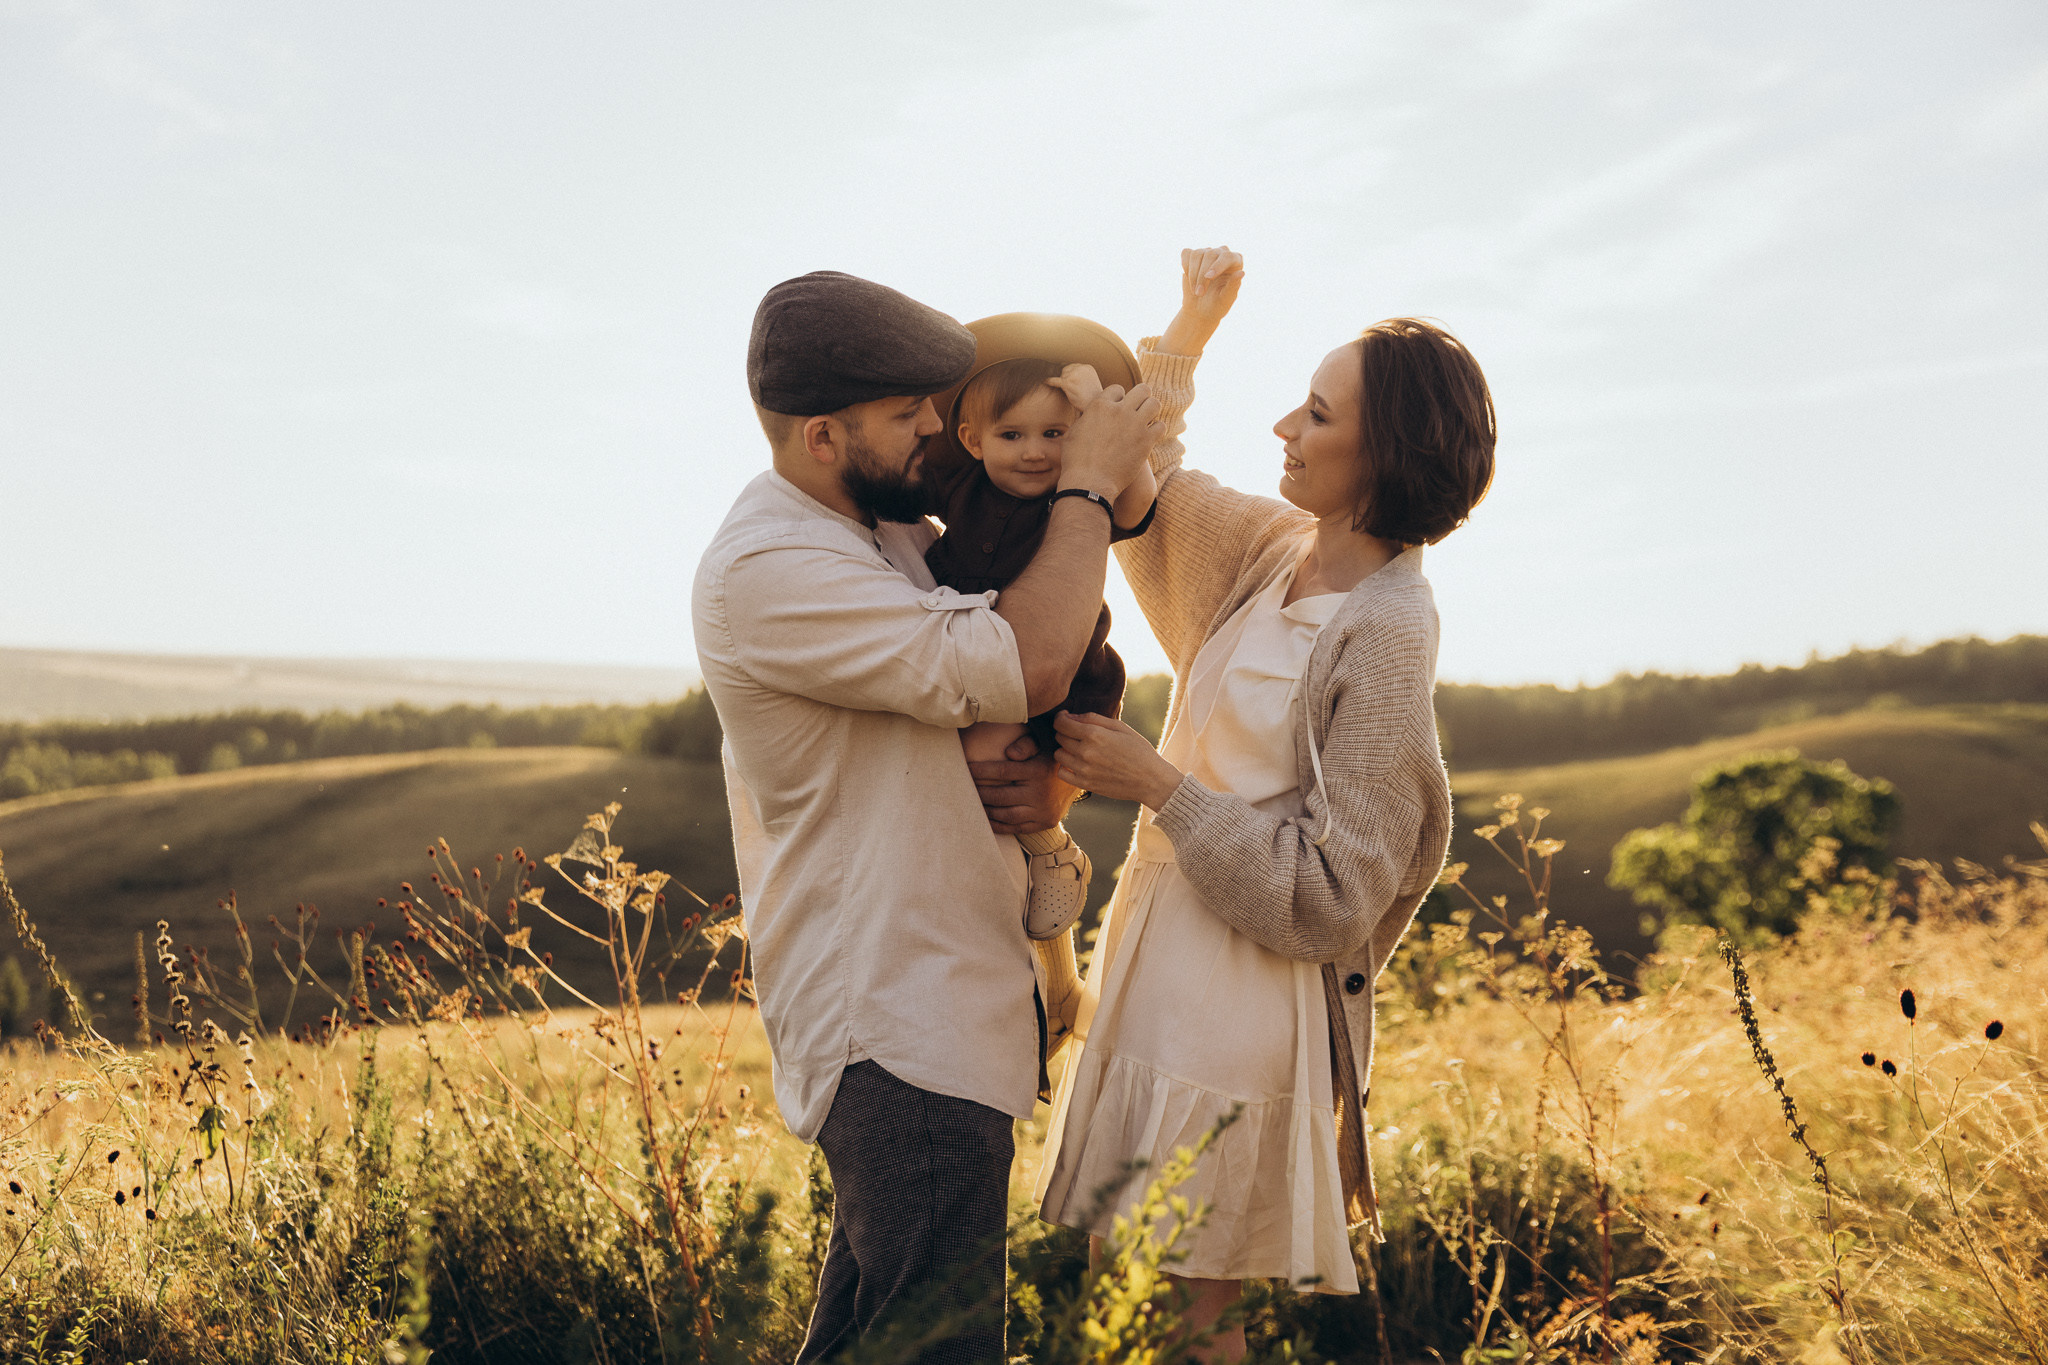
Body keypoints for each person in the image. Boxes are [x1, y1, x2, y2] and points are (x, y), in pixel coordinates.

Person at [692, 269, 1161, 1365]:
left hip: (945, 1003)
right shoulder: (772, 568)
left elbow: (1024, 691)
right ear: (821, 434)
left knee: (870, 1342)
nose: (931, 433)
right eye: (906, 415)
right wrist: (1085, 491)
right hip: (899, 1022)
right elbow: (1025, 657)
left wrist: (1052, 782)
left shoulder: (883, 533)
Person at [1036, 248, 1496, 1362]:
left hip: (1242, 1001)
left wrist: (1156, 785)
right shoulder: (1269, 553)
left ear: (1381, 455)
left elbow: (1337, 893)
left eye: (1316, 412)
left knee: (1193, 1318)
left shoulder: (1386, 631)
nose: (1284, 426)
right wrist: (1188, 329)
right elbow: (1136, 480)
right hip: (1154, 960)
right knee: (1117, 1285)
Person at [919, 314, 1159, 1040]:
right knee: (980, 787)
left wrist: (1095, 415)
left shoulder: (1080, 501)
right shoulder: (959, 492)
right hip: (977, 659)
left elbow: (1139, 497)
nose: (1033, 453)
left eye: (1055, 435)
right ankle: (1049, 975)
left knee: (996, 771)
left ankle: (1054, 851)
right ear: (972, 440)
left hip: (1060, 676)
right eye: (1012, 436)